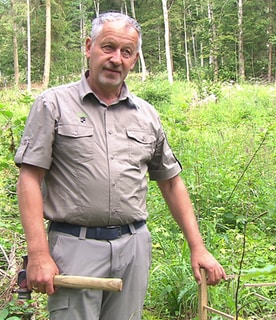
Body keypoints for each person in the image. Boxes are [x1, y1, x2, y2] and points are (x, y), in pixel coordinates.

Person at [15, 12, 226, 320]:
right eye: (108, 47)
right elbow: (30, 179)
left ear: (135, 59)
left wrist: (198, 247)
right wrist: (38, 253)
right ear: (89, 47)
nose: (116, 59)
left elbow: (171, 182)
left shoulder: (146, 114)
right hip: (75, 247)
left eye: (126, 52)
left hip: (133, 247)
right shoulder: (53, 105)